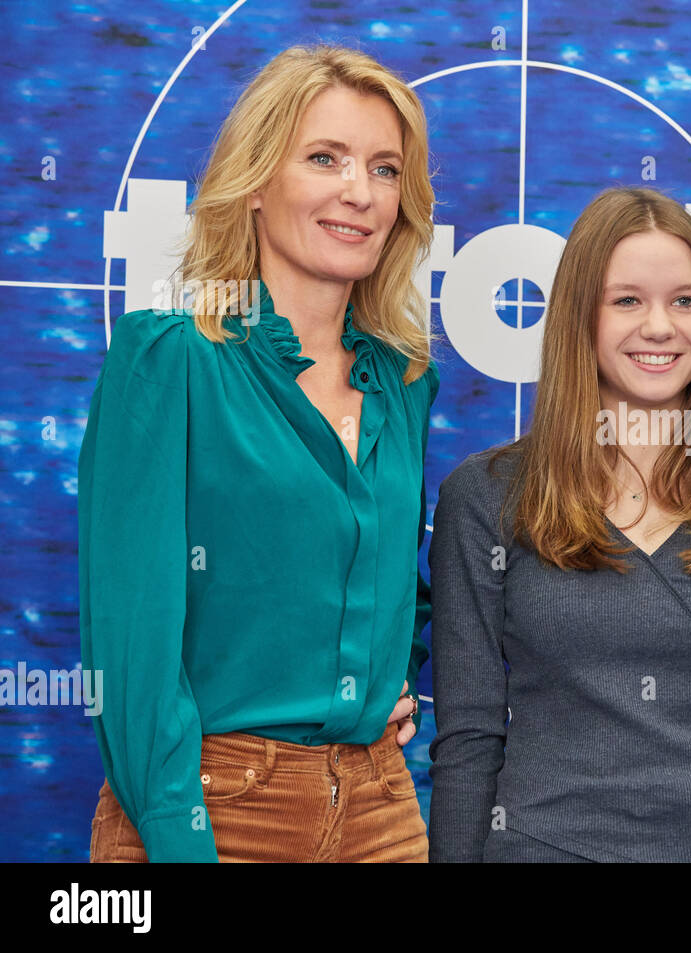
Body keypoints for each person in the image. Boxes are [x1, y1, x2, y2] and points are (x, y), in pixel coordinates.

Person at [80, 45, 438, 862]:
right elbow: (131, 655)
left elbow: (382, 587)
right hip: (211, 804)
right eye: (325, 158)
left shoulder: (405, 382)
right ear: (253, 185)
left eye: (386, 169)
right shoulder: (168, 359)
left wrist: (382, 680)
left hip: (382, 808)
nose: (360, 191)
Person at [427, 187, 691, 862]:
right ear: (578, 319)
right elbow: (469, 739)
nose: (660, 326)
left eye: (685, 300)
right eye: (627, 300)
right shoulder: (485, 498)